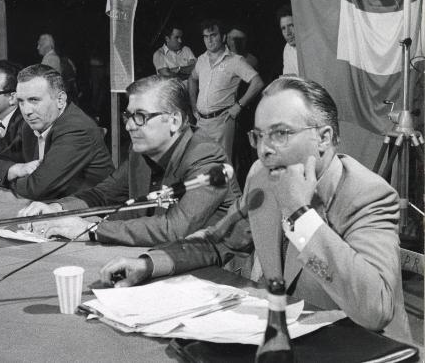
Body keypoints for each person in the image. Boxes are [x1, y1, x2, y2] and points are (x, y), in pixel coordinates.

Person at [101, 77, 410, 341]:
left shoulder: (368, 195)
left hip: (360, 347)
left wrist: (301, 214)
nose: (264, 149)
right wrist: (150, 263)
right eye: (259, 135)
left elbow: (375, 310)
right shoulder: (262, 175)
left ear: (324, 138)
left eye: (280, 134)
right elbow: (222, 239)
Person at [19, 75, 241, 247]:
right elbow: (103, 194)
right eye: (128, 116)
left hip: (214, 274)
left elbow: (173, 228)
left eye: (140, 117)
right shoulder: (141, 152)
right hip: (154, 256)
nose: (129, 126)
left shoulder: (206, 156)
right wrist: (57, 208)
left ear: (175, 120)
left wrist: (91, 229)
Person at [0, 64, 113, 201]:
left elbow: (37, 188)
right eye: (21, 101)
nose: (27, 111)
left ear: (60, 100)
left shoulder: (77, 129)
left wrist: (10, 178)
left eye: (34, 100)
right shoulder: (30, 126)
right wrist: (17, 169)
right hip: (53, 209)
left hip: (93, 215)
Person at [188, 19, 264, 159]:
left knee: (221, 167)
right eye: (206, 36)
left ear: (223, 37)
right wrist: (193, 106)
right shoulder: (201, 59)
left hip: (221, 123)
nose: (209, 40)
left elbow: (257, 82)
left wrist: (239, 105)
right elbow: (192, 79)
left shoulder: (235, 61)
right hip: (201, 123)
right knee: (202, 165)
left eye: (213, 35)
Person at [37, 33, 79, 102]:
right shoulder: (53, 57)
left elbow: (45, 83)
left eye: (40, 45)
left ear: (46, 46)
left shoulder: (50, 59)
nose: (38, 47)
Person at [277, 5, 298, 76]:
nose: (288, 33)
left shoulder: (312, 43)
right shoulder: (287, 48)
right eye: (283, 28)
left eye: (291, 26)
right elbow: (289, 79)